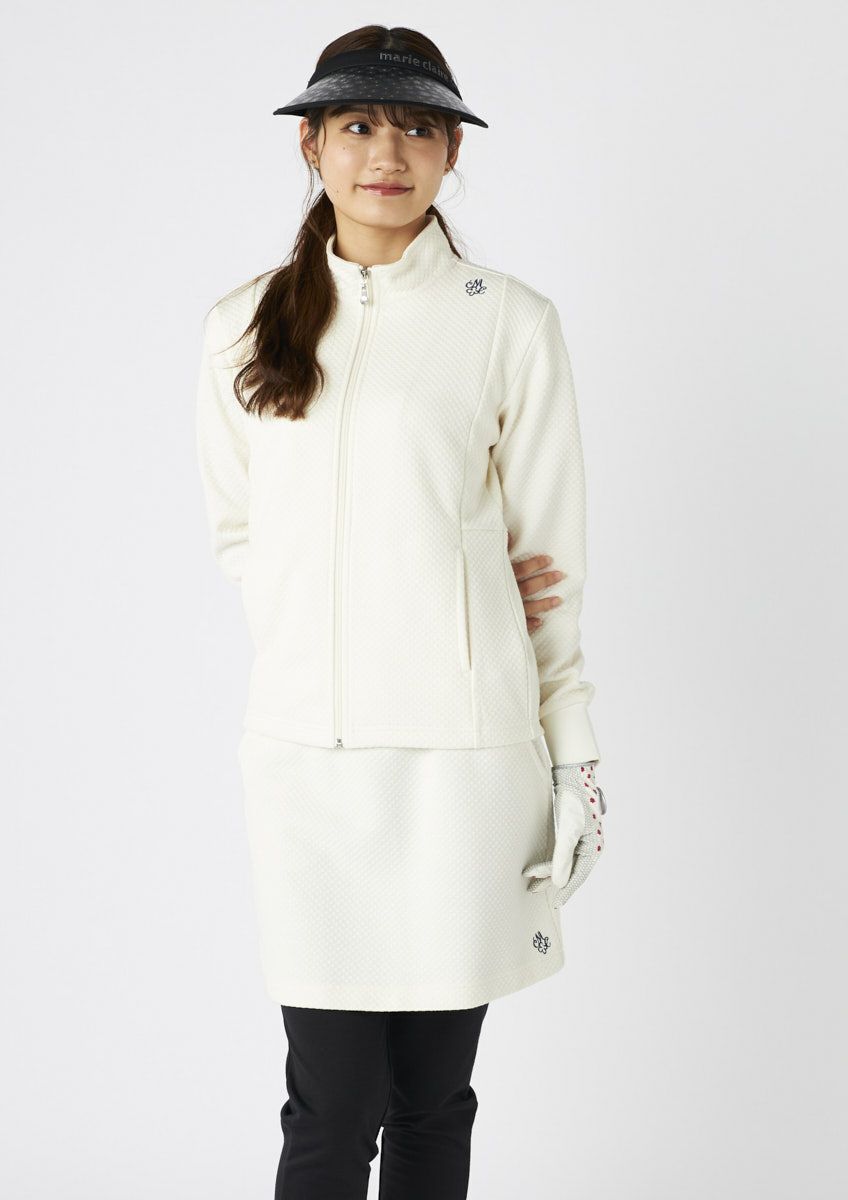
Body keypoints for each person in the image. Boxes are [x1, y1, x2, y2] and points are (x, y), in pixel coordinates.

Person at [195, 25, 609, 1200]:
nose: (388, 152)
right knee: (329, 1107)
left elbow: (549, 565)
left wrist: (574, 761)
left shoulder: (509, 322)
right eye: (359, 124)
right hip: (309, 768)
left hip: (462, 768)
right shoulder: (240, 325)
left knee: (432, 1101)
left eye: (419, 126)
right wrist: (348, 623)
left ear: (450, 152)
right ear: (312, 145)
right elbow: (241, 538)